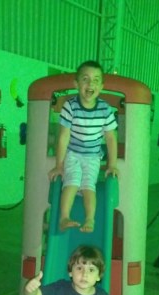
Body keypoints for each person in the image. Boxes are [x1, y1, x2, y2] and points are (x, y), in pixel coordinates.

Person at [48, 61, 119, 234]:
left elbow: (111, 138)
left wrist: (112, 164)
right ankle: (64, 217)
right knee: (72, 181)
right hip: (73, 153)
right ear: (76, 84)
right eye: (85, 79)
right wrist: (59, 165)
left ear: (101, 86)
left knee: (88, 185)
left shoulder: (105, 109)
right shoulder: (70, 106)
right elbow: (63, 137)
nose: (90, 84)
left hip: (93, 156)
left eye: (96, 80)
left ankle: (90, 218)